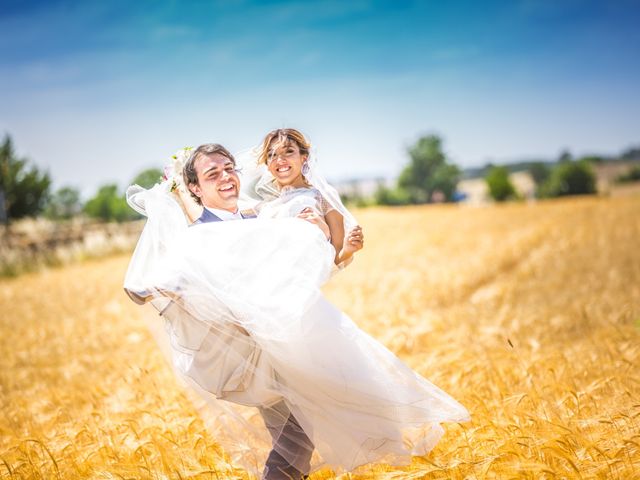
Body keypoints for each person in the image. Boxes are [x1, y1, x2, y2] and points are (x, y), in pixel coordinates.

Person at [124, 136, 469, 480]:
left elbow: (300, 272)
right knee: (298, 437)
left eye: (230, 169)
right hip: (254, 358)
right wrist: (159, 288)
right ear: (195, 188)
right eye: (213, 174)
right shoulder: (197, 237)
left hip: (290, 342)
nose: (226, 177)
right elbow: (158, 284)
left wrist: (329, 243)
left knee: (307, 433)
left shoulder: (258, 218)